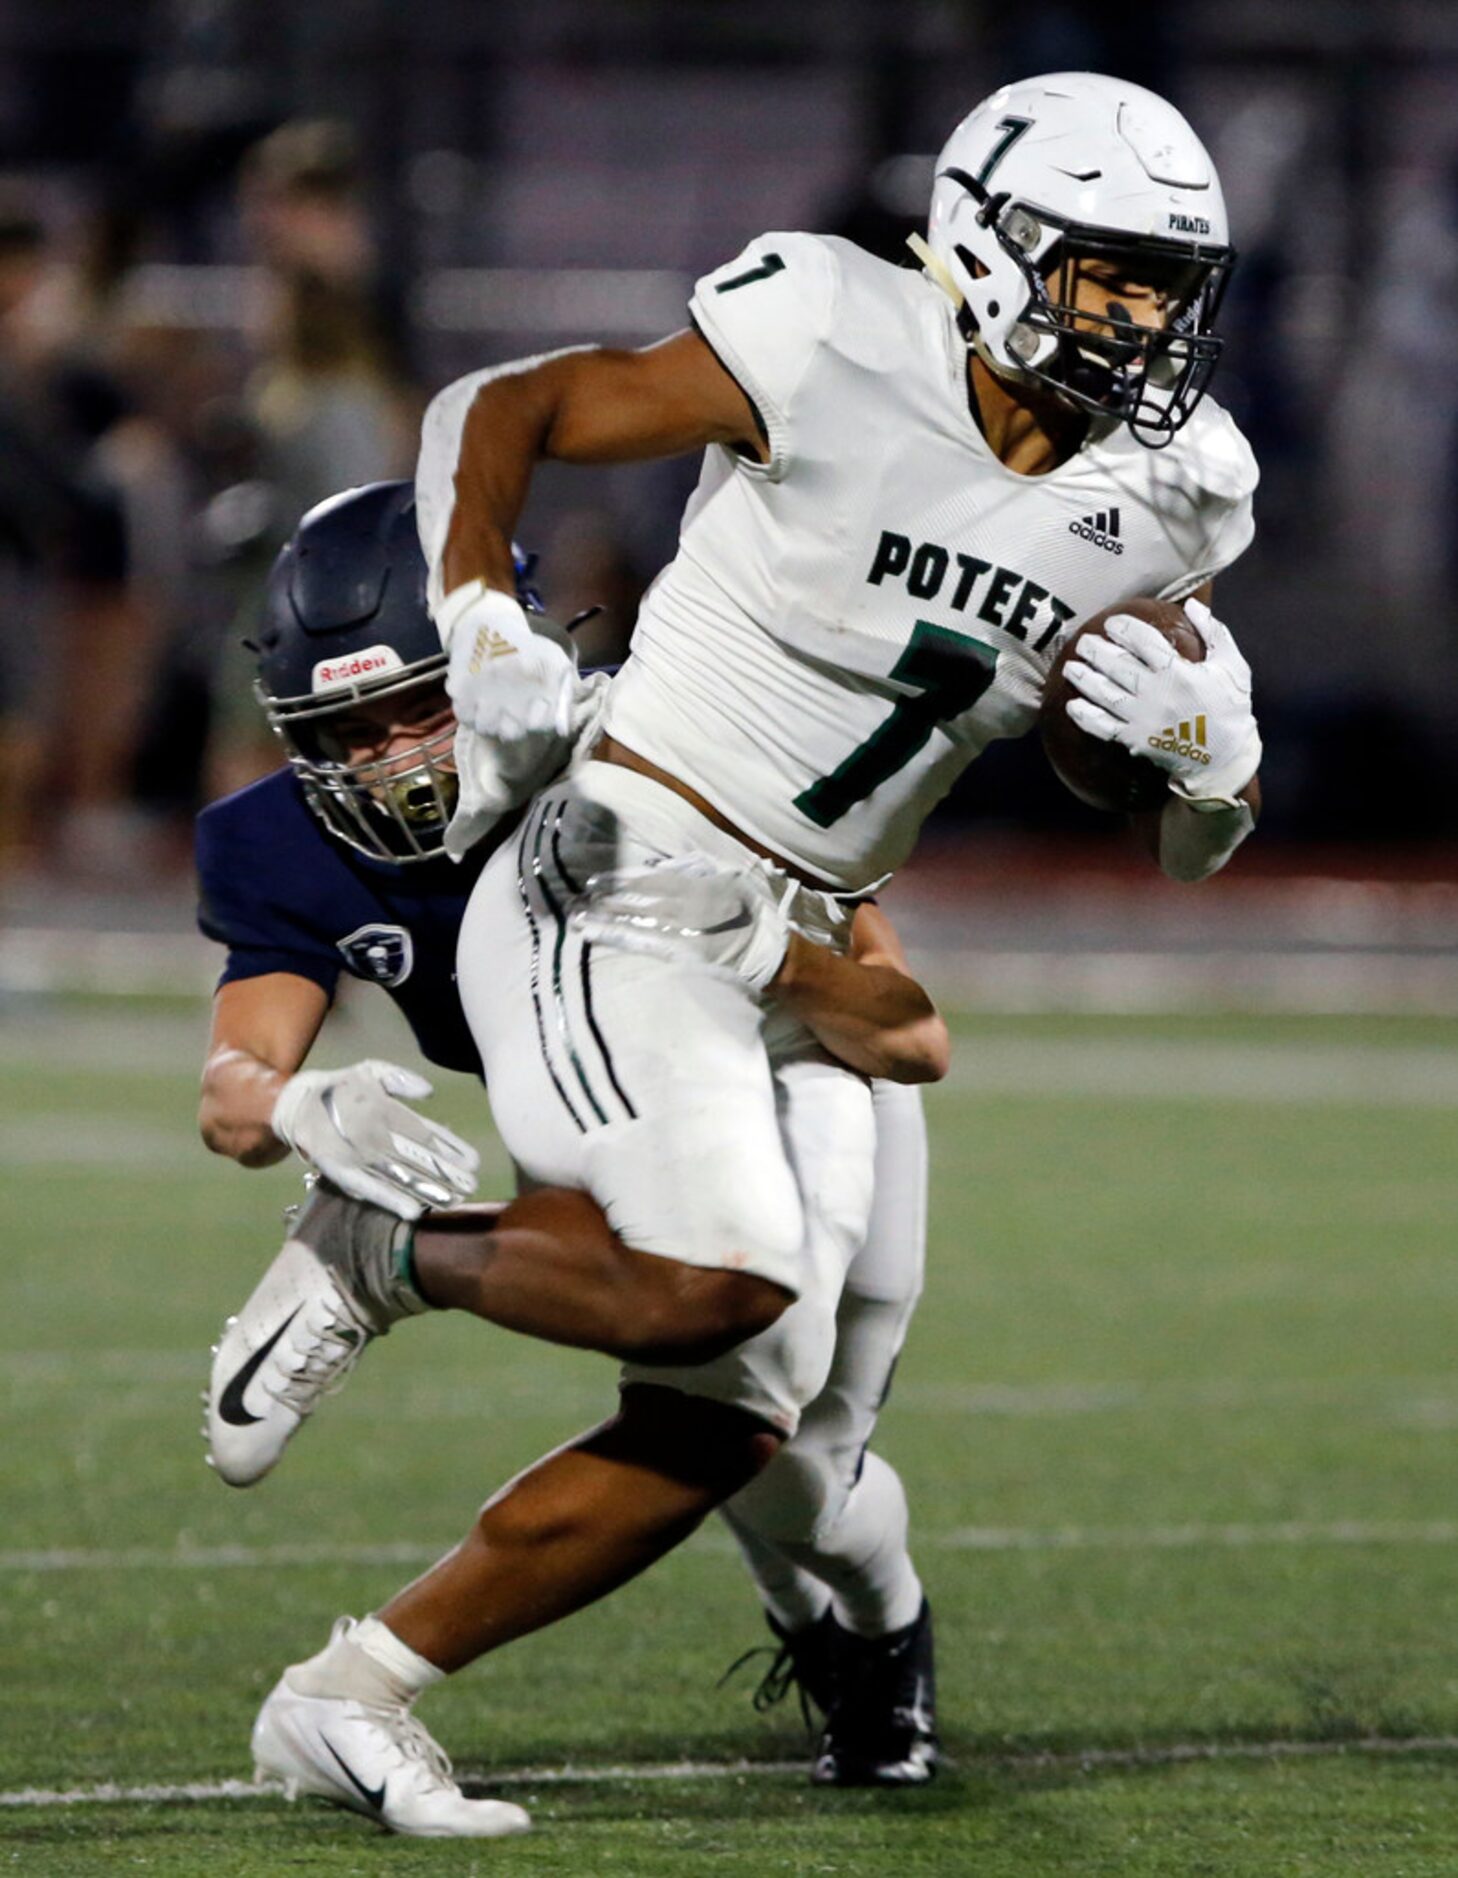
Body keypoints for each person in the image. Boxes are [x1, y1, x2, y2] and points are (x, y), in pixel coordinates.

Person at [231, 72, 1264, 1838]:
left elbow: (1145, 797)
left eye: (1169, 286)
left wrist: (1209, 762)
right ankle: (384, 1254)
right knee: (730, 1292)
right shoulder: (825, 327)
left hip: (811, 943)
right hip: (620, 872)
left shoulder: (1179, 489)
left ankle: (855, 1640)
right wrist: (477, 613)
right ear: (993, 252)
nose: (1147, 325)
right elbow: (507, 403)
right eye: (1111, 279)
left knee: (794, 1435)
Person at [199, 481, 943, 1835]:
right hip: (620, 1127)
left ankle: (874, 1626)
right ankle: (361, 1682)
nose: (393, 757)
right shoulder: (281, 844)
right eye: (344, 729)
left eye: (420, 704)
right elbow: (233, 1092)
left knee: (801, 1475)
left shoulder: (681, 747)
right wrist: (297, 1104)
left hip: (801, 1082)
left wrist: (758, 945)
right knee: (728, 1413)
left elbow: (906, 1033)